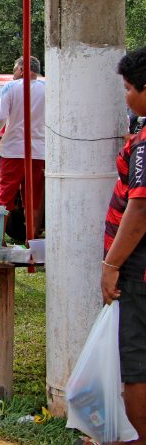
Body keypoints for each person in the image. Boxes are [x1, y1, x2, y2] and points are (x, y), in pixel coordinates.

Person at [101, 48, 146, 441]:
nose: (126, 96)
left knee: (136, 363)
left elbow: (141, 207)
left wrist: (111, 265)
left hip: (139, 269)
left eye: (130, 88)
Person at [0, 56, 45, 238]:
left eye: (14, 69)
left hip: (13, 150)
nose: (13, 73)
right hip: (39, 151)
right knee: (34, 198)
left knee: (4, 196)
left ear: (22, 69)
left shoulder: (10, 87)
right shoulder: (48, 88)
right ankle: (32, 241)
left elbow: (0, 116)